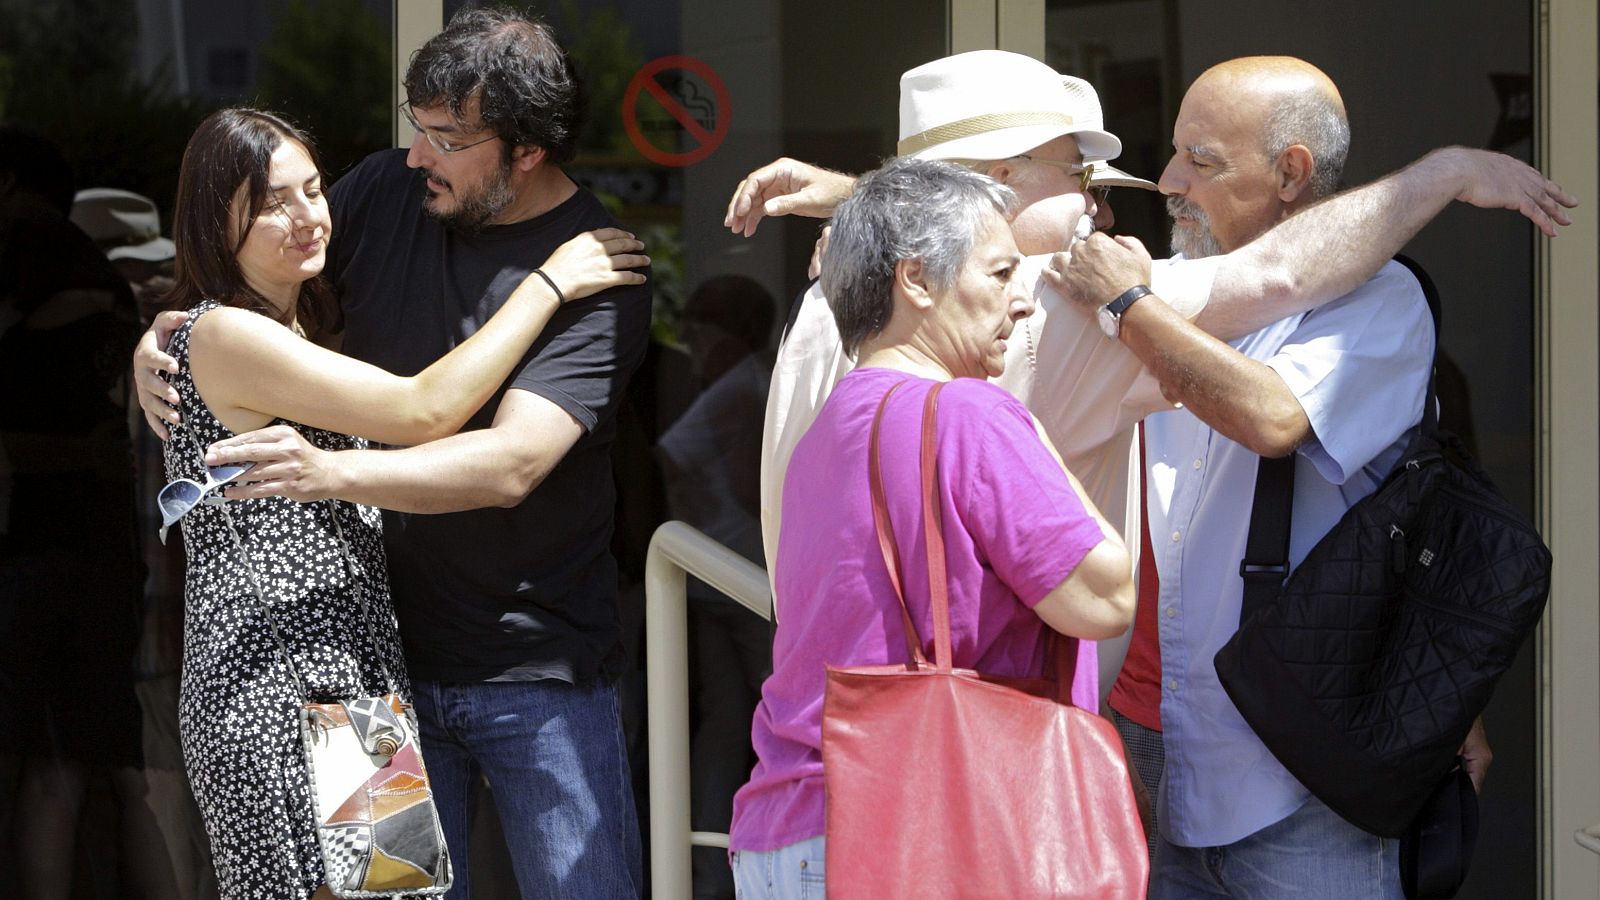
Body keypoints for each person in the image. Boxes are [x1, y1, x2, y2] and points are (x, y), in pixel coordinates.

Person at [724, 49, 1572, 704]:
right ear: (999, 183)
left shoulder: (826, 304)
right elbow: (1277, 277)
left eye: (1193, 162)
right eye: (1079, 174)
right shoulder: (1043, 302)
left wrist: (859, 199)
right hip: (978, 761)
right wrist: (1443, 174)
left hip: (838, 743)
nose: (1115, 201)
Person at [133, 9, 656, 897]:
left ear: (524, 150)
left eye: (446, 137)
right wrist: (164, 335)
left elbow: (507, 465)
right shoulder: (387, 192)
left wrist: (324, 467)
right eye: (417, 126)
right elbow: (246, 312)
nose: (417, 155)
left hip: (514, 673)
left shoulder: (597, 269)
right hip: (336, 680)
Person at [1052, 56, 1459, 896]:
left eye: (1199, 161)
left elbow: (1274, 418)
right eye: (1173, 155)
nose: (1167, 182)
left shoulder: (1380, 301)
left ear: (1290, 173)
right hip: (1140, 737)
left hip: (1299, 768)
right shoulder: (1170, 285)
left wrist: (1131, 309)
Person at [729, 154, 1136, 896]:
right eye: (1001, 274)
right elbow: (1104, 598)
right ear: (916, 280)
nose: (1023, 302)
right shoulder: (970, 414)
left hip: (785, 830)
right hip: (915, 828)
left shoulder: (832, 425)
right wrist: (1028, 426)